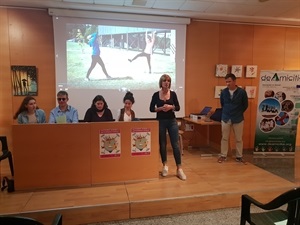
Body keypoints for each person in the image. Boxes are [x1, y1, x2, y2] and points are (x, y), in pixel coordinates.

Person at [149, 74, 186, 181]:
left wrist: (171, 107)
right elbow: (151, 109)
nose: (167, 82)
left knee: (175, 144)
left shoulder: (173, 94)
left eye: (168, 81)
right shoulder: (156, 95)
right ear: (161, 83)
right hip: (160, 121)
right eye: (165, 81)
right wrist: (160, 108)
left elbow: (178, 107)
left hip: (172, 121)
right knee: (163, 144)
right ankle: (165, 165)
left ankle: (179, 168)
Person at [218, 73, 248, 163]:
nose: (228, 83)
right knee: (224, 138)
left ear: (234, 81)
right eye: (226, 82)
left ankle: (239, 156)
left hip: (238, 118)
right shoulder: (224, 92)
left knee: (238, 138)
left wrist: (238, 112)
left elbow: (245, 105)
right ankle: (223, 155)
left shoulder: (242, 92)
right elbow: (222, 103)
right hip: (226, 117)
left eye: (229, 81)